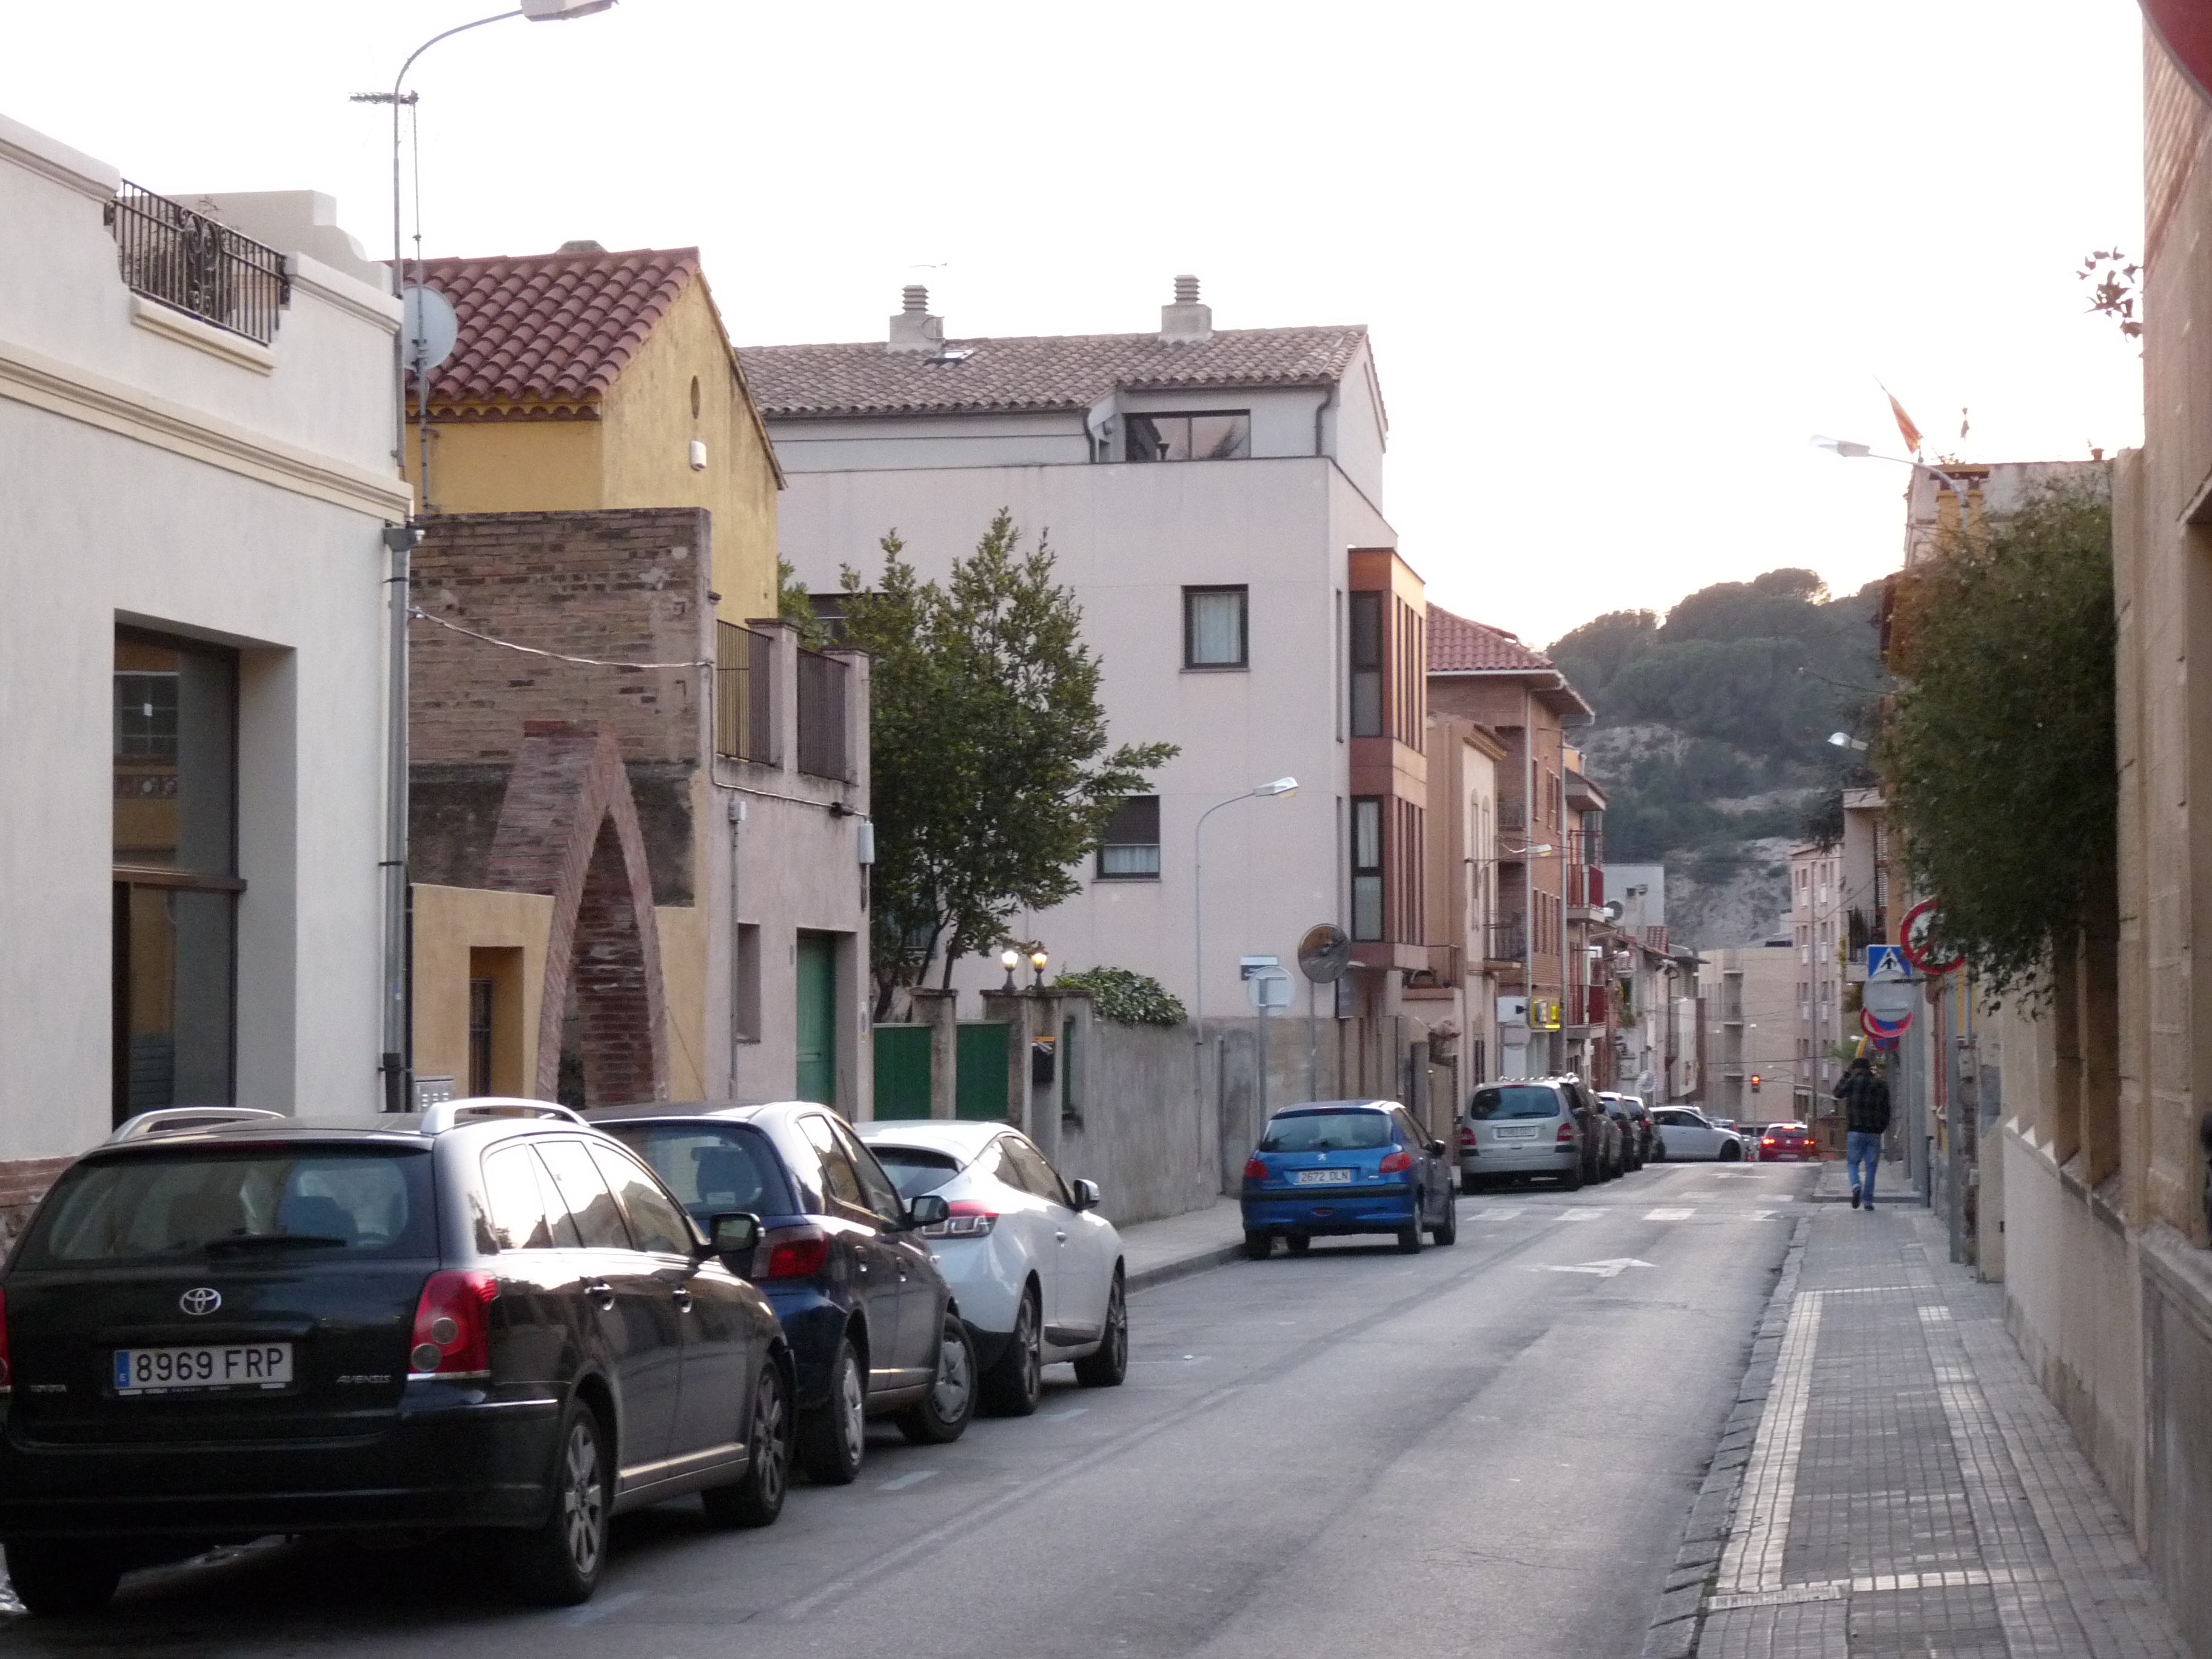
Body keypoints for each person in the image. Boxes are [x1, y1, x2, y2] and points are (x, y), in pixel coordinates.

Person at [1835, 1057, 1891, 1211]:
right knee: (1872, 1168)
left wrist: (1846, 1074)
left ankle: (1856, 1186)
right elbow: (1887, 1110)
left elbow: (1837, 1093)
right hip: (1874, 1133)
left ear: (1855, 1069)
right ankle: (1868, 1201)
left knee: (1853, 1163)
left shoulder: (1852, 1082)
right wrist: (1882, 1128)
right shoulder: (1881, 1085)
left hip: (1855, 1130)